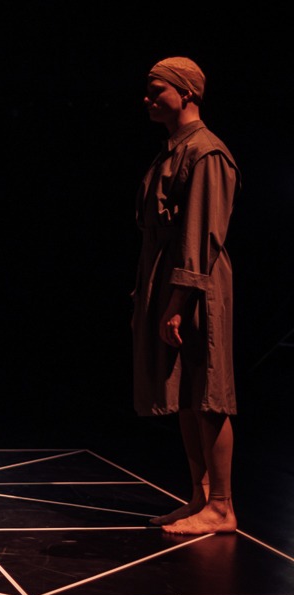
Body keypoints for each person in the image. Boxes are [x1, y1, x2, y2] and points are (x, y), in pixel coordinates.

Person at [133, 56, 240, 535]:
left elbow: (201, 235)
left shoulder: (206, 152)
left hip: (197, 285)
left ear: (187, 92)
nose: (148, 98)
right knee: (186, 394)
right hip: (171, 279)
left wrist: (178, 303)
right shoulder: (172, 151)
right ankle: (199, 497)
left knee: (209, 393)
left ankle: (221, 506)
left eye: (158, 89)